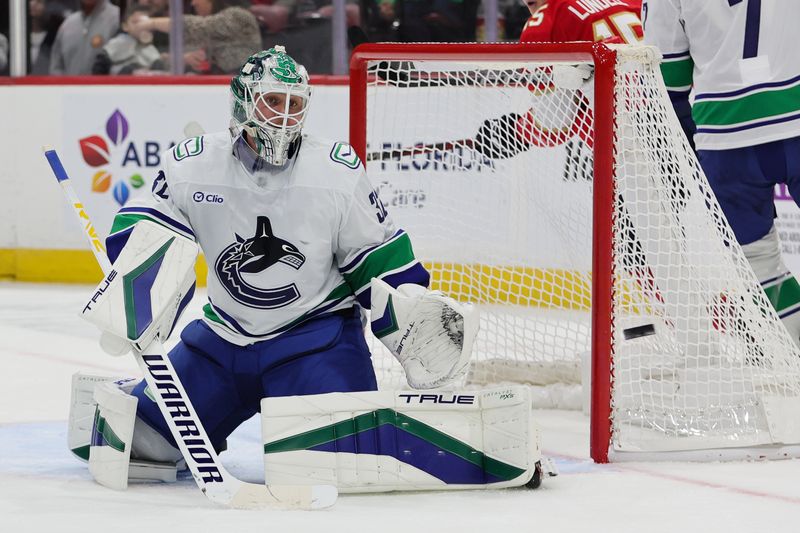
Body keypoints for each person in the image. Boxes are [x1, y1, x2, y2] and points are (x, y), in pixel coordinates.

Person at [70, 47, 476, 481]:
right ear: (244, 101)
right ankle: (134, 396)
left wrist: (415, 319)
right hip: (221, 343)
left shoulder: (335, 171)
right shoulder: (191, 164)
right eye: (273, 102)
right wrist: (132, 272)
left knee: (342, 462)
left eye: (294, 104)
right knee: (139, 445)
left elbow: (377, 259)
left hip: (315, 342)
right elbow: (147, 226)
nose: (285, 117)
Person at [643, 1, 800, 343]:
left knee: (757, 262)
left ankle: (792, 359)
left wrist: (682, 155)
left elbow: (667, 82)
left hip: (726, 139)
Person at [131, 0, 261, 74]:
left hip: (244, 89)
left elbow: (200, 27)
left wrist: (151, 23)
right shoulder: (204, 32)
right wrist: (184, 59)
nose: (193, 3)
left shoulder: (240, 17)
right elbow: (169, 61)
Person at [520, 0, 642, 43]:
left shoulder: (544, 22)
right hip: (656, 94)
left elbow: (544, 99)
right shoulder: (634, 2)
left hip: (608, 99)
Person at [92, 3, 165, 74]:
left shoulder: (150, 48)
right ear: (125, 26)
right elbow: (100, 67)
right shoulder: (116, 44)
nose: (141, 26)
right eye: (136, 22)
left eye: (145, 23)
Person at [49, 0, 119, 75]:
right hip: (69, 86)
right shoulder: (67, 25)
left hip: (105, 86)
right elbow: (56, 68)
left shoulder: (117, 19)